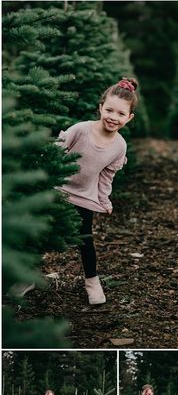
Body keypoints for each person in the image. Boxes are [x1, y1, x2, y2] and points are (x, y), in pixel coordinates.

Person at [56, 77, 138, 305]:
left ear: (129, 118)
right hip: (57, 191)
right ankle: (28, 277)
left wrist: (104, 200)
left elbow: (106, 176)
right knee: (42, 235)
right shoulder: (80, 130)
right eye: (109, 110)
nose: (113, 117)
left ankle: (92, 282)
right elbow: (56, 154)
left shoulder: (119, 146)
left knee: (85, 240)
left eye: (121, 114)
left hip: (83, 198)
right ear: (100, 107)